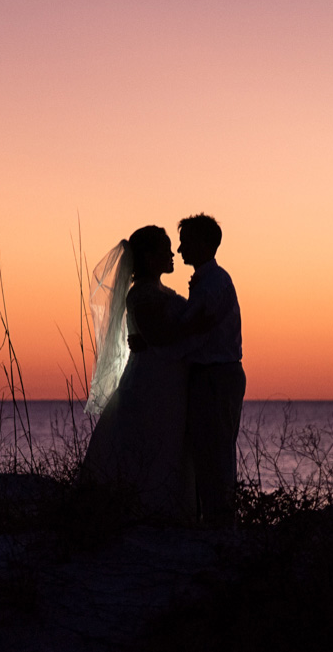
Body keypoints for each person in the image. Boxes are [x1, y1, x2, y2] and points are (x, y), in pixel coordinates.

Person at [80, 226, 196, 523]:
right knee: (148, 440)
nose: (172, 255)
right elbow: (159, 336)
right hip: (151, 383)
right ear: (148, 257)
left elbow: (160, 336)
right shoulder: (142, 295)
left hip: (167, 381)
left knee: (167, 442)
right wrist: (196, 329)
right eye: (165, 250)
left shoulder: (158, 292)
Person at [177, 214, 245, 528]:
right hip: (212, 376)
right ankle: (213, 520)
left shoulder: (213, 284)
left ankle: (219, 524)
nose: (179, 250)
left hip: (216, 377)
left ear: (203, 244)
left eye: (185, 242)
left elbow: (196, 334)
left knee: (215, 454)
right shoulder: (211, 281)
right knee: (207, 453)